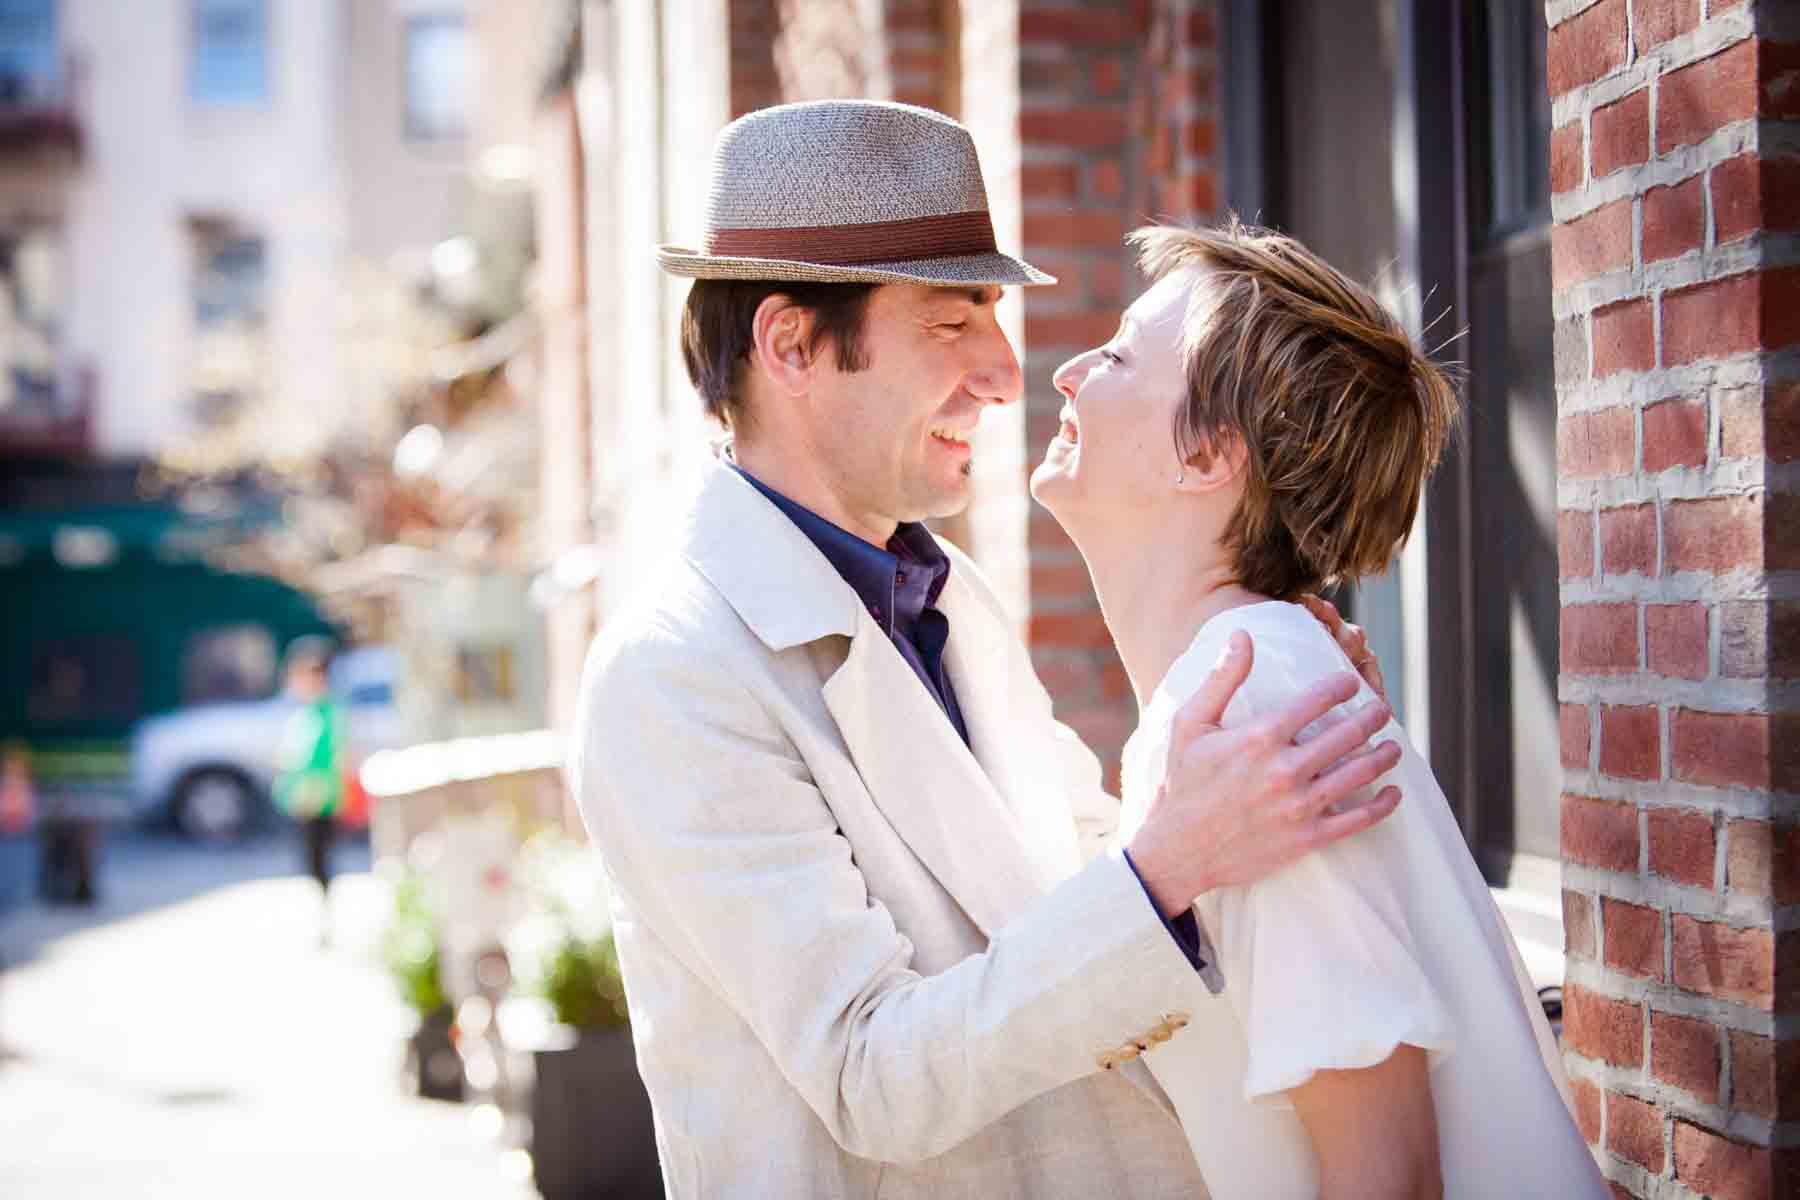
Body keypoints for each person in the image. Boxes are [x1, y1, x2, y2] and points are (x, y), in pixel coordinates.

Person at [571, 99, 1402, 1198]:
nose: (1008, 373)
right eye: (952, 323)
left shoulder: (948, 595)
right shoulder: (671, 676)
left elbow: (1073, 866)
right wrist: (1174, 861)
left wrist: (1274, 770)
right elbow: (872, 1074)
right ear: (790, 345)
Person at [1031, 218, 1608, 1199]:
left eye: (1121, 354)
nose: (1070, 373)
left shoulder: (1253, 708)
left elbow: (1388, 1177)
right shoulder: (1245, 686)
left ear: (1208, 456)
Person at [274, 636, 343, 943]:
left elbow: (326, 760)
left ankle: (325, 921)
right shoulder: (306, 713)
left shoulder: (326, 714)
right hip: (303, 800)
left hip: (318, 801)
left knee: (319, 861)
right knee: (309, 861)